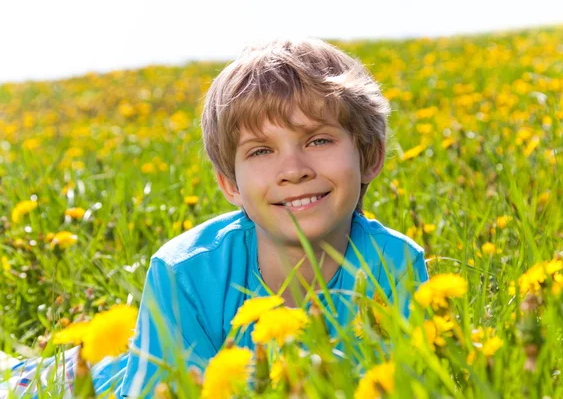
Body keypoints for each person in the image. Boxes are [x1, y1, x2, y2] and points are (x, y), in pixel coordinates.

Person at [1, 37, 428, 398]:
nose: (294, 169)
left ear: (370, 157)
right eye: (261, 150)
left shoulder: (395, 265)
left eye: (318, 140)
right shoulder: (186, 271)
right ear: (230, 185)